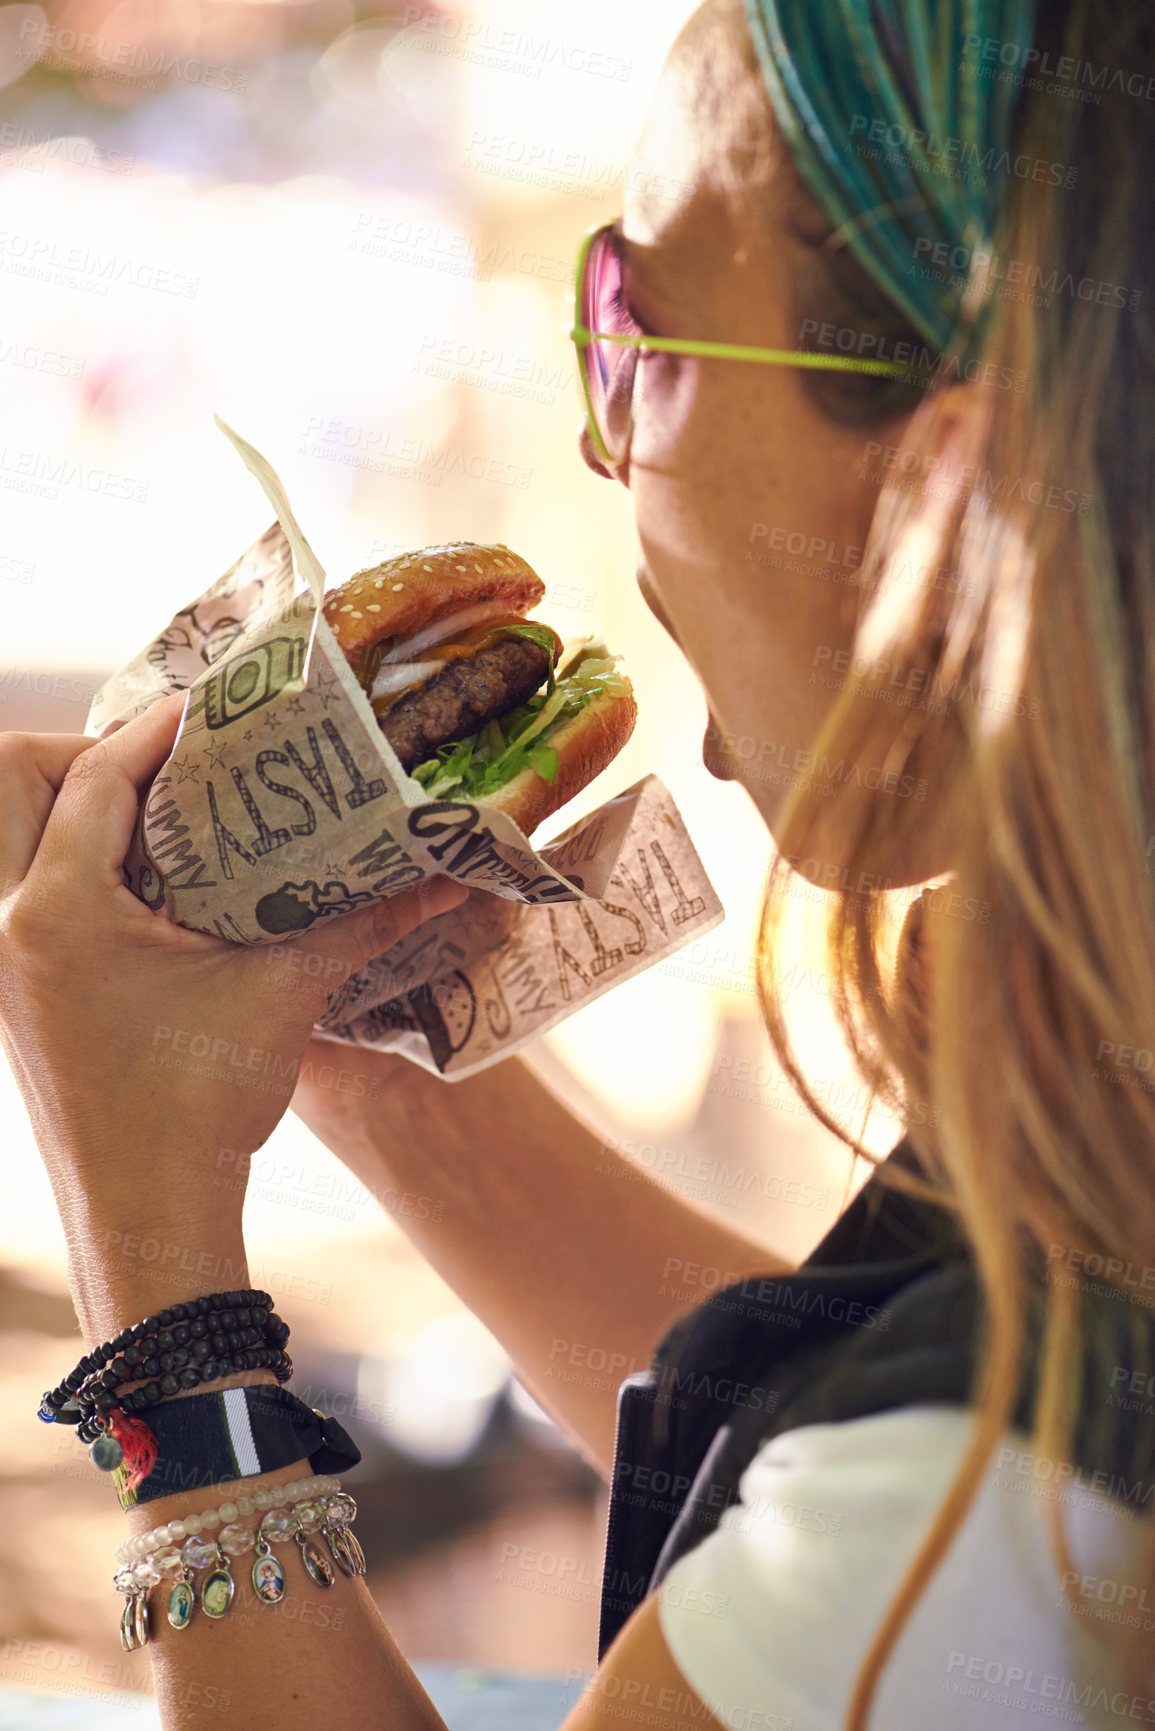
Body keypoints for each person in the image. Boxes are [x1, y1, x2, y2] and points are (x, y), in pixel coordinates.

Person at [2, 0, 1153, 1727]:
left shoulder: (980, 1510)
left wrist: (162, 1285)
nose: (610, 445)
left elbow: (891, 1496)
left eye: (642, 329)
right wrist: (371, 1062)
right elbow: (792, 1438)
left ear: (949, 503)